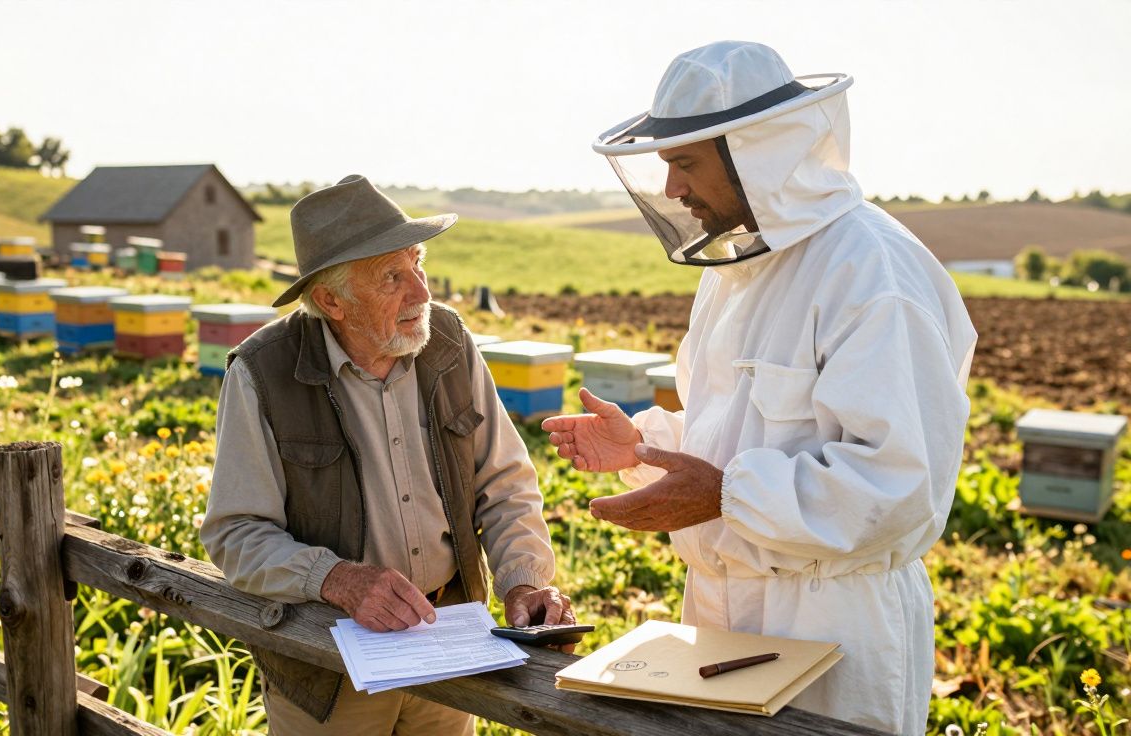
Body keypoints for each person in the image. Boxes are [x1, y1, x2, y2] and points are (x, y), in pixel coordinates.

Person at [542, 41, 976, 735]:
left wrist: (720, 495)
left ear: (759, 152)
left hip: (833, 625)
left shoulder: (872, 272)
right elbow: (743, 435)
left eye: (685, 164)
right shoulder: (733, 274)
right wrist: (648, 444)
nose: (672, 192)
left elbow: (900, 485)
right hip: (719, 619)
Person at [202, 175, 572, 736]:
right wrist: (337, 579)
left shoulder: (448, 343)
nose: (422, 292)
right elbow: (236, 535)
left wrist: (522, 580)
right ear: (330, 301)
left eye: (417, 263)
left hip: (447, 640)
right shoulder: (263, 372)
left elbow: (504, 482)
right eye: (392, 277)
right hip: (326, 662)